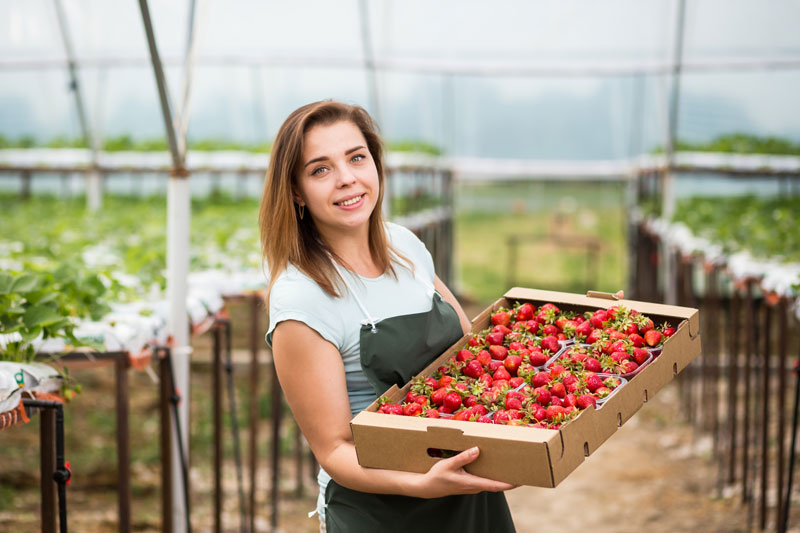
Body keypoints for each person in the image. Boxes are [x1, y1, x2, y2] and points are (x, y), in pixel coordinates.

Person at [259, 100, 516, 533]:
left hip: (468, 490)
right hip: (380, 511)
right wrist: (421, 484)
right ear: (297, 192)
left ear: (375, 165)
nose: (347, 179)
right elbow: (335, 450)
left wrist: (591, 330)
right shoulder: (302, 300)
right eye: (320, 169)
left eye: (356, 158)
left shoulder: (405, 246)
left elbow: (470, 349)